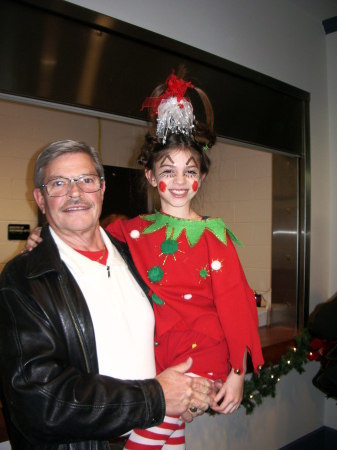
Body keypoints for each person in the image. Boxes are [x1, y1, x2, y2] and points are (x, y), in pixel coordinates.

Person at [24, 70, 265, 450]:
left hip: (199, 357)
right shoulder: (130, 231)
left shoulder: (215, 237)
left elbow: (236, 305)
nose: (180, 181)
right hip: (159, 361)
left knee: (143, 444)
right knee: (171, 442)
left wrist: (237, 372)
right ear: (152, 177)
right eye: (168, 171)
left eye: (190, 171)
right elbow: (84, 237)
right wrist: (43, 237)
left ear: (201, 175)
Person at [0, 140, 217, 450]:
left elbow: (182, 320)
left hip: (157, 435)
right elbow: (39, 402)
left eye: (86, 180)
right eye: (58, 183)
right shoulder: (25, 279)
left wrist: (190, 390)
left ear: (102, 189)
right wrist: (155, 397)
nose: (75, 193)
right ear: (40, 198)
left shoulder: (136, 257)